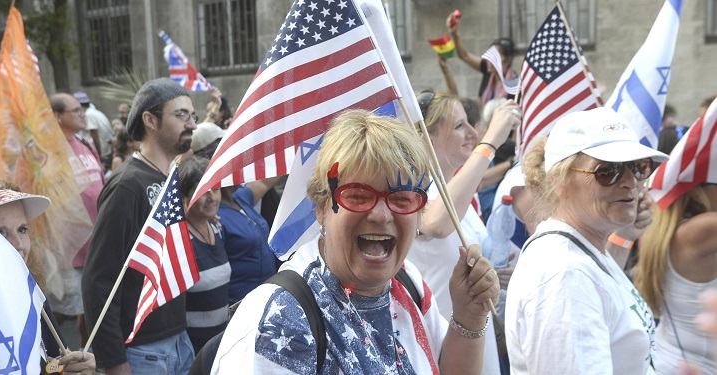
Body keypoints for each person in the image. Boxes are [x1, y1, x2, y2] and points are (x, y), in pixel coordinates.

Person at [212, 109, 500, 373]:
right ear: (322, 208)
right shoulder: (280, 323)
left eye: (401, 199)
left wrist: (468, 317)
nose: (381, 214)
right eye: (358, 195)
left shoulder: (407, 283)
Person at [505, 107, 669, 374]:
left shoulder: (583, 248)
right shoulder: (565, 275)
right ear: (560, 181)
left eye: (639, 168)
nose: (630, 182)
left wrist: (625, 238)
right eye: (607, 171)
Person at [82, 78, 198, 375]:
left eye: (193, 115)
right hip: (142, 352)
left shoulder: (168, 176)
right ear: (150, 120)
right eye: (181, 114)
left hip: (178, 342)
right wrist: (115, 361)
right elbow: (99, 281)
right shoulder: (127, 186)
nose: (192, 124)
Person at [406, 90, 518, 375]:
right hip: (440, 348)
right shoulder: (412, 192)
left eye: (470, 123)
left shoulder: (459, 195)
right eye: (459, 126)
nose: (472, 132)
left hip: (476, 341)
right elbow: (436, 223)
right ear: (425, 139)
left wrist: (496, 269)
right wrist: (490, 143)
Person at [0, 175, 97, 374]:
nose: (19, 245)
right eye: (0, 233)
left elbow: (53, 363)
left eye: (22, 229)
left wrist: (74, 370)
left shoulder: (35, 298)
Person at [636, 182, 717, 374]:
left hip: (672, 358)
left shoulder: (667, 227)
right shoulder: (702, 229)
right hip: (693, 367)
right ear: (697, 192)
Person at [49, 92, 105, 347]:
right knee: (63, 310)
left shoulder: (86, 144)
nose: (83, 113)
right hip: (67, 251)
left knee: (89, 308)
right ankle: (44, 348)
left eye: (83, 109)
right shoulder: (47, 153)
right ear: (58, 117)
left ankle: (85, 356)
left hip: (95, 245)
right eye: (76, 110)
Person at [178, 156, 231, 354]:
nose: (212, 198)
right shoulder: (180, 240)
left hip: (218, 344)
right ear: (185, 196)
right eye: (203, 192)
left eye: (215, 190)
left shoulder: (216, 228)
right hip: (191, 350)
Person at [219, 175, 281, 304]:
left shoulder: (240, 197)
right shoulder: (213, 216)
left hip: (266, 294)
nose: (241, 174)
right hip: (239, 301)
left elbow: (264, 181)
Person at [448, 13, 517, 107]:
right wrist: (455, 34)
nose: (490, 61)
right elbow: (464, 55)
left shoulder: (514, 84)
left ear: (508, 60)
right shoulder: (488, 69)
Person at [74, 91, 115, 168]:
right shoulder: (94, 112)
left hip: (103, 153)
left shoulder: (89, 114)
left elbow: (94, 134)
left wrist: (97, 155)